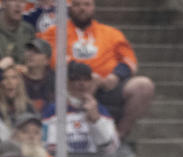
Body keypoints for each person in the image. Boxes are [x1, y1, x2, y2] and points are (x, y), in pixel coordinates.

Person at [39, 0, 154, 142]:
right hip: (71, 85)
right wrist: (87, 77)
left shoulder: (112, 33)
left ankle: (118, 137)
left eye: (87, 4)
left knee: (143, 86)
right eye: (77, 5)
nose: (82, 9)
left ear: (93, 7)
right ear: (70, 7)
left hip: (106, 86)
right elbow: (54, 58)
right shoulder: (55, 32)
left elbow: (129, 61)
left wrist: (114, 78)